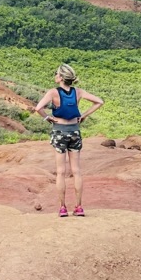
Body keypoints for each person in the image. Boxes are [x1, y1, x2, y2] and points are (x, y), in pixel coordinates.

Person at [34, 64, 104, 218]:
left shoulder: (53, 92)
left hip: (59, 131)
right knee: (76, 171)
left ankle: (63, 208)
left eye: (56, 73)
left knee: (60, 172)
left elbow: (38, 108)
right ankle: (79, 207)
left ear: (60, 77)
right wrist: (84, 115)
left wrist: (47, 118)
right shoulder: (78, 92)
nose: (55, 75)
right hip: (74, 131)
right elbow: (99, 101)